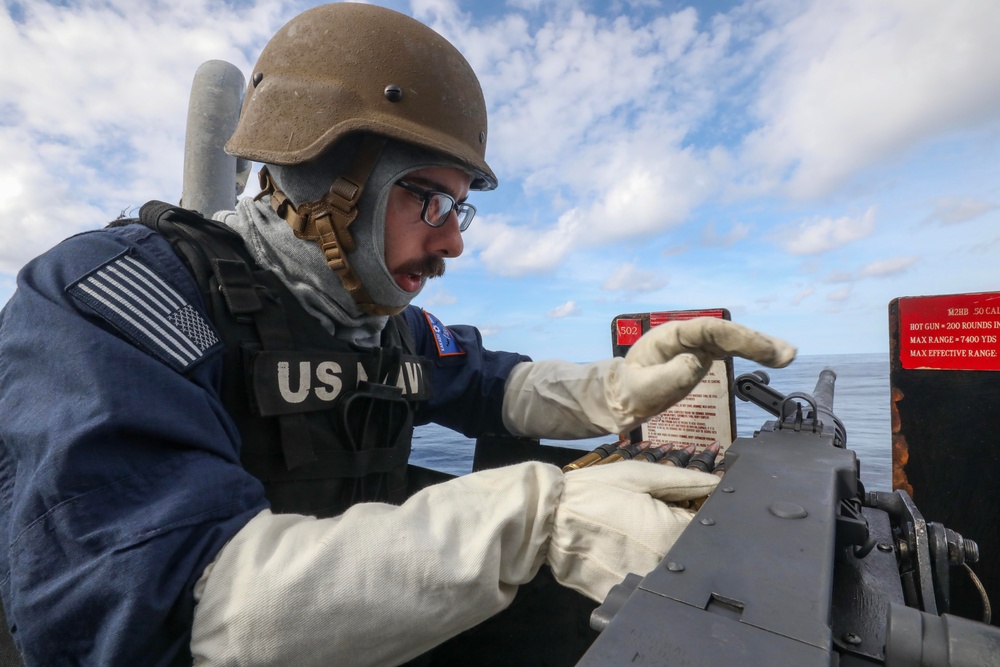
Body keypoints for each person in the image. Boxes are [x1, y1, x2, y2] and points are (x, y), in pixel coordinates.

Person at [0, 3, 795, 665]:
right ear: (324, 177)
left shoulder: (380, 327)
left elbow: (491, 384)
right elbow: (171, 606)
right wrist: (531, 518)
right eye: (428, 200)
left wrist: (617, 387)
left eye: (460, 208)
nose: (454, 241)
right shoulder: (113, 304)